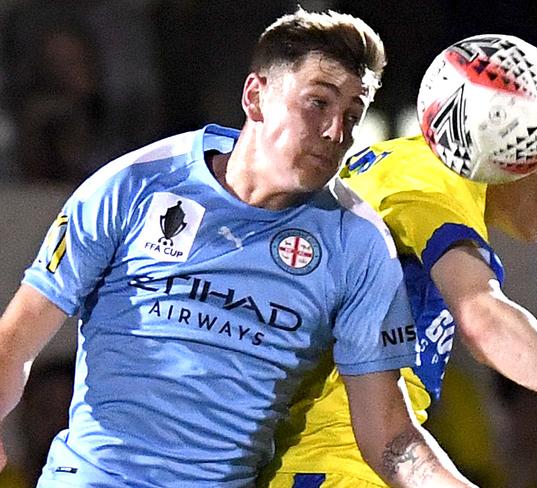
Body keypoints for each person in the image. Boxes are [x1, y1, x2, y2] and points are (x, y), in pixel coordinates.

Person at [0, 8, 475, 488]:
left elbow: (389, 436)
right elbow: (17, 339)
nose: (337, 132)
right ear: (255, 96)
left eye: (353, 114)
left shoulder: (358, 244)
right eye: (318, 103)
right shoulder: (134, 184)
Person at [260, 42, 537, 487]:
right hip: (332, 467)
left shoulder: (410, 168)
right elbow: (482, 320)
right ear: (529, 141)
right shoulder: (429, 185)